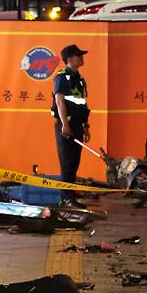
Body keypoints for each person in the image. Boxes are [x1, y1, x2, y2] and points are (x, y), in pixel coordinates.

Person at [51, 44, 90, 205]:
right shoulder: (62, 77)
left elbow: (83, 105)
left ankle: (70, 196)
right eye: (78, 55)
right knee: (67, 163)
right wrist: (65, 125)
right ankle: (66, 198)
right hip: (65, 125)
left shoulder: (80, 79)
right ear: (69, 59)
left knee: (74, 162)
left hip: (78, 125)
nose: (81, 57)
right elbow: (59, 102)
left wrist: (86, 126)